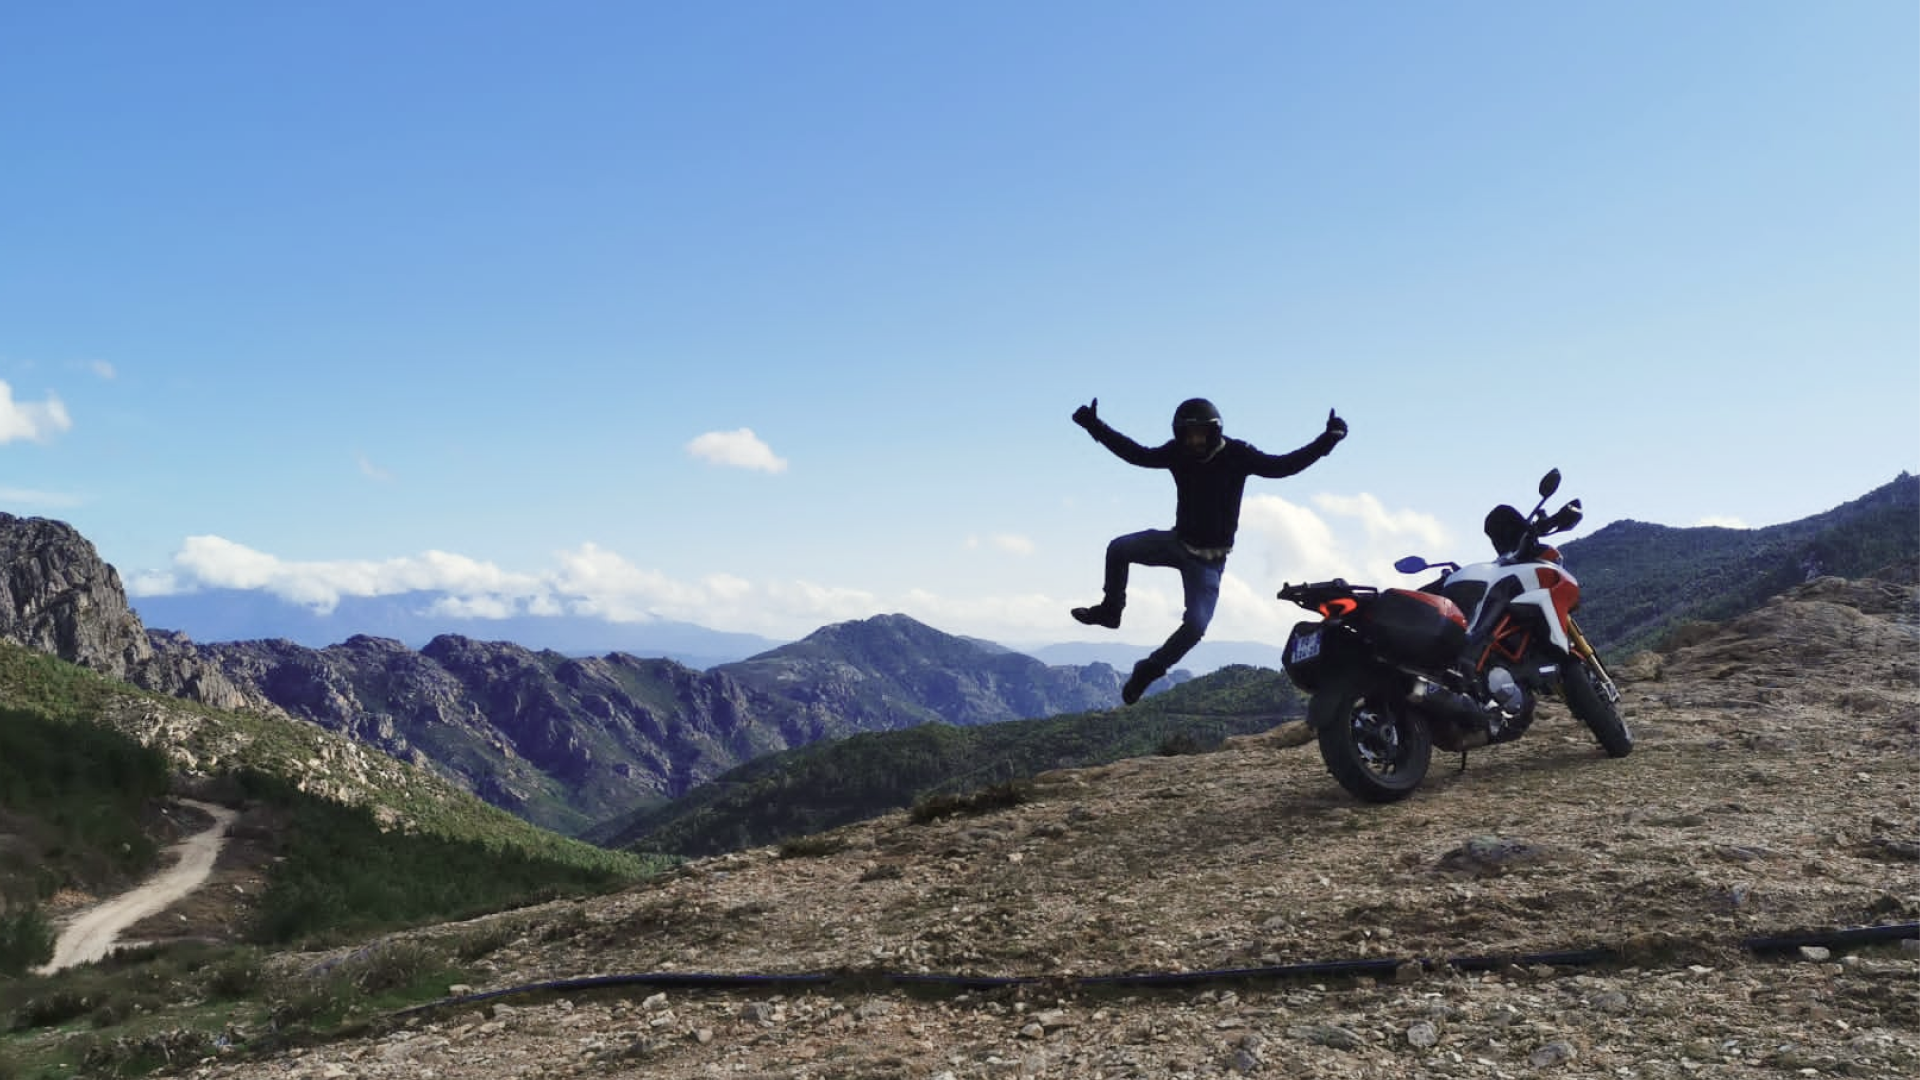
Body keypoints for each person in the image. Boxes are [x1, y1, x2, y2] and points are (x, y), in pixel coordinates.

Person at [1070, 397, 1348, 704]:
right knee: (1119, 549)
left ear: (1214, 431)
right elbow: (1136, 454)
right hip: (1177, 543)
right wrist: (1094, 426)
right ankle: (1111, 612)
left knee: (1195, 627)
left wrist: (1327, 441)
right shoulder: (1177, 453)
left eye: (1200, 434)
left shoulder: (1238, 454)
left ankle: (1149, 670)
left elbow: (1282, 466)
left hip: (1209, 562)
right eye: (1188, 435)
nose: (1195, 441)